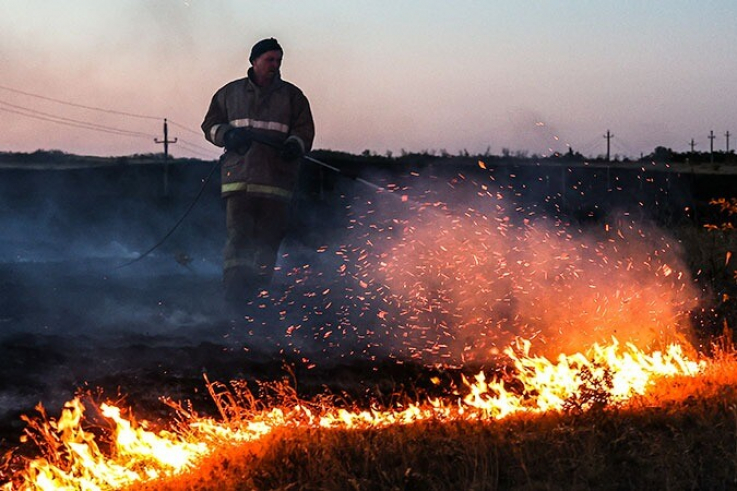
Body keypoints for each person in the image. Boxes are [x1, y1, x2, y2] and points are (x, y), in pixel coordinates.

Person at [202, 38, 315, 304]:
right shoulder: (229, 93)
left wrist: (294, 145)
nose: (275, 65)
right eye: (269, 60)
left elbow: (304, 130)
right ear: (254, 61)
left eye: (278, 60)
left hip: (276, 182)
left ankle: (258, 296)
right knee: (238, 239)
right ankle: (234, 295)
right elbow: (210, 124)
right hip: (238, 181)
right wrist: (227, 135)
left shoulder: (293, 97)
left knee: (267, 243)